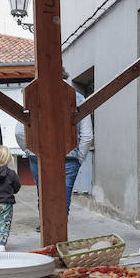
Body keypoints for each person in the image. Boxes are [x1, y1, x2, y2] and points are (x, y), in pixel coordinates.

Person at [16, 74, 93, 222]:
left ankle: (45, 227)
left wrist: (29, 150)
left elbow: (19, 131)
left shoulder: (33, 96)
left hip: (38, 156)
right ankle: (60, 232)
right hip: (69, 158)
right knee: (63, 199)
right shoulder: (78, 98)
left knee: (44, 195)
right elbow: (87, 135)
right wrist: (79, 158)